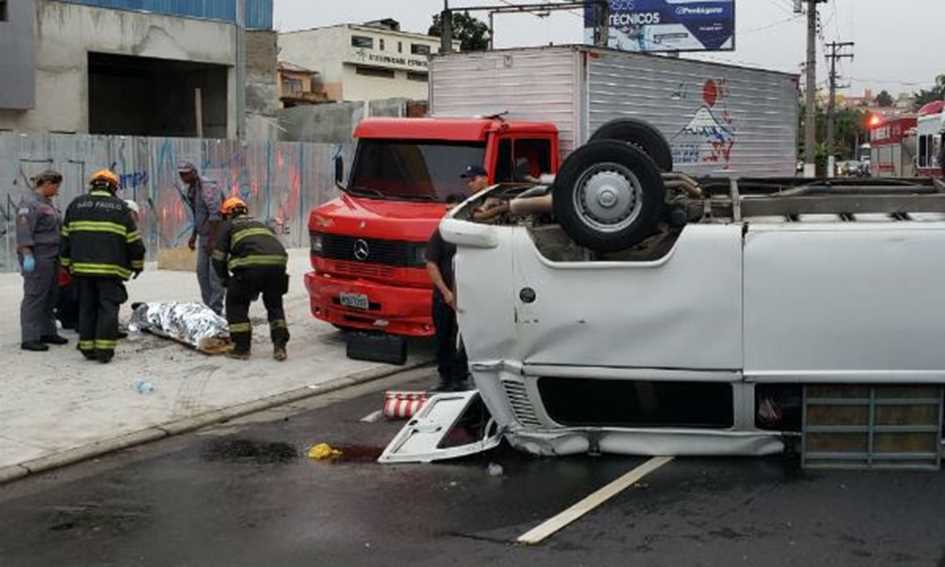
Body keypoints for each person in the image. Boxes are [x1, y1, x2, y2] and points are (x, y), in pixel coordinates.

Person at [60, 170, 145, 363]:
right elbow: (134, 242)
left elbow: (65, 238)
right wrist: (137, 265)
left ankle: (87, 348)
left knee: (87, 307)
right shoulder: (120, 208)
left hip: (81, 270)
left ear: (93, 185)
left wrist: (66, 265)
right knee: (107, 308)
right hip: (110, 270)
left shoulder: (75, 205)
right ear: (113, 187)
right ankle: (104, 351)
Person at [425, 164, 490, 391]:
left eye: (452, 209)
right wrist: (446, 293)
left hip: (469, 297)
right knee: (443, 338)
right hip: (445, 296)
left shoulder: (471, 230)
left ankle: (461, 378)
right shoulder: (441, 231)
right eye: (446, 209)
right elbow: (431, 262)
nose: (448, 213)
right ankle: (445, 378)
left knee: (465, 340)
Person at [211, 197, 290, 361]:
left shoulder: (229, 226)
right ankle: (280, 346)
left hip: (250, 268)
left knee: (236, 302)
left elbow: (218, 258)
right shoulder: (261, 224)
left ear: (228, 214)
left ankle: (241, 348)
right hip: (278, 266)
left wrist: (225, 279)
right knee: (274, 305)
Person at [16, 170, 68, 352]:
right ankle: (30, 337)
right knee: (35, 295)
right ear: (47, 184)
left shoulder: (48, 204)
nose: (57, 190)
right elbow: (24, 230)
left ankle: (47, 331)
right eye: (56, 186)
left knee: (51, 295)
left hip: (53, 256)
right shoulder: (29, 203)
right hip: (37, 256)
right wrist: (27, 254)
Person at [178, 161, 225, 315]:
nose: (182, 176)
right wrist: (193, 236)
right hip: (205, 236)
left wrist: (212, 241)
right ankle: (209, 308)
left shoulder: (208, 187)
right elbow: (198, 215)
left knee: (214, 274)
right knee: (202, 272)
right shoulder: (191, 190)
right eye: (181, 174)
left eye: (185, 173)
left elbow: (215, 215)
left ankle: (216, 309)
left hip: (217, 236)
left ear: (194, 172)